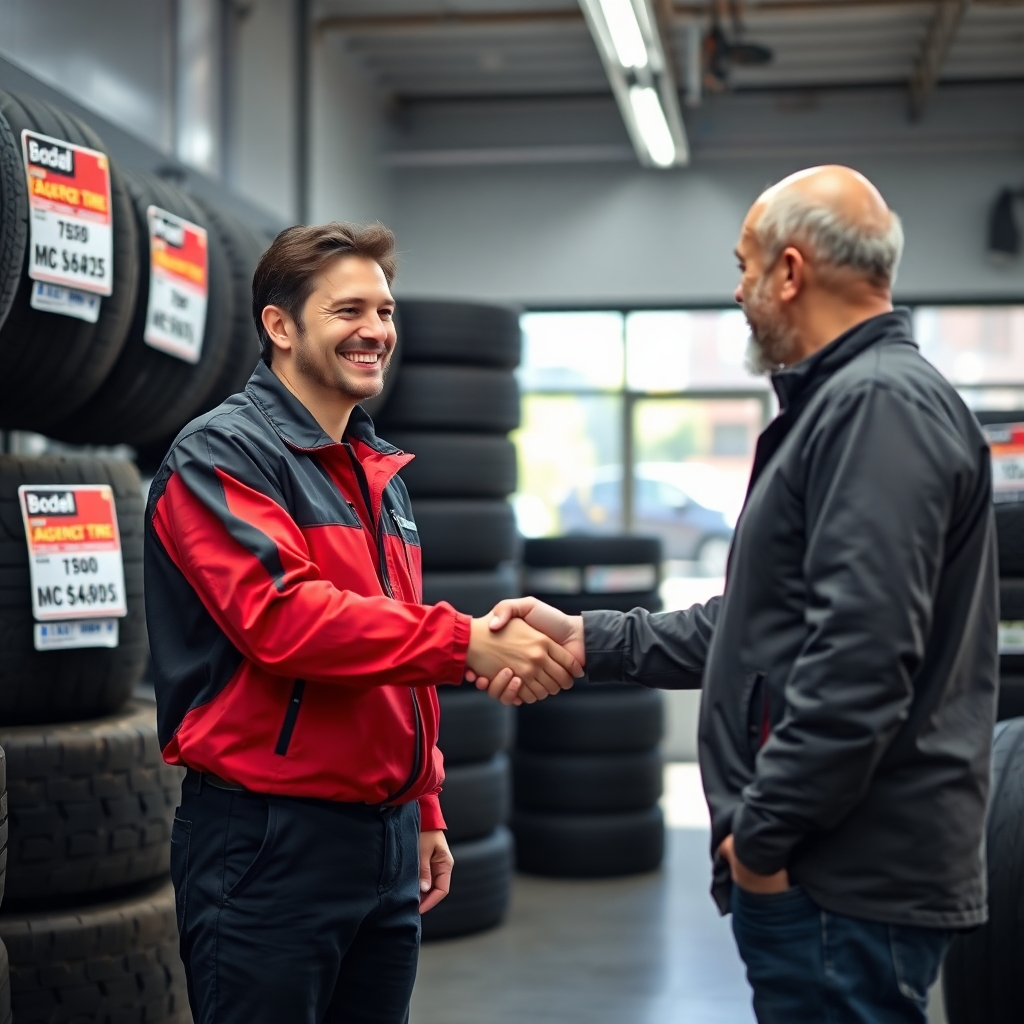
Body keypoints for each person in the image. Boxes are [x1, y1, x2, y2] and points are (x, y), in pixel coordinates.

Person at [476, 166, 998, 1024]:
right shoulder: (850, 404)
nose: (738, 289)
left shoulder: (875, 410)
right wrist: (586, 639)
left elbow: (861, 663)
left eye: (746, 265)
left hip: (840, 876)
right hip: (836, 870)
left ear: (791, 272)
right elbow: (763, 627)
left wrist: (761, 841)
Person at [144, 221, 581, 1024]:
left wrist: (424, 805)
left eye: (384, 311)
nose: (376, 331)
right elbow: (284, 621)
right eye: (348, 311)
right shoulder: (220, 458)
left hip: (383, 842)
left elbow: (393, 649)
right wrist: (469, 641)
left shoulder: (380, 475)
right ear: (281, 326)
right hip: (268, 842)